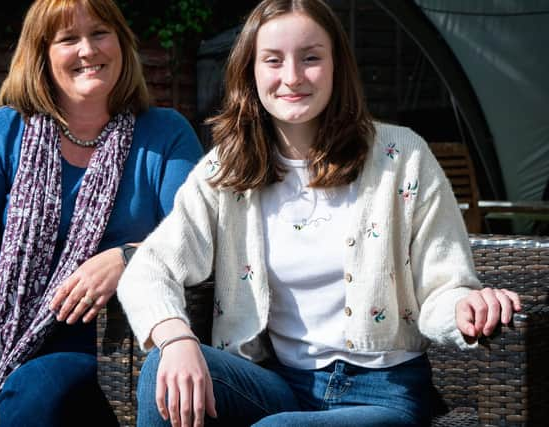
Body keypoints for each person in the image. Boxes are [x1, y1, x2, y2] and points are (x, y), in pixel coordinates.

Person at [117, 0, 521, 426]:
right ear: (250, 71)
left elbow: (443, 287)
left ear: (336, 66)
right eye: (273, 60)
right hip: (280, 385)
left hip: (384, 396)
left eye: (311, 58)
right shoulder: (227, 170)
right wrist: (178, 339)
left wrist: (465, 307)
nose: (292, 77)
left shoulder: (401, 156)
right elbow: (148, 269)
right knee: (160, 371)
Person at [0, 0, 202, 426]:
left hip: (91, 344)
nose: (88, 49)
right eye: (68, 39)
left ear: (121, 42)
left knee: (34, 405)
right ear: (41, 56)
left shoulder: (165, 134)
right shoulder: (0, 132)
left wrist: (128, 257)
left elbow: (198, 234)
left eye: (100, 33)